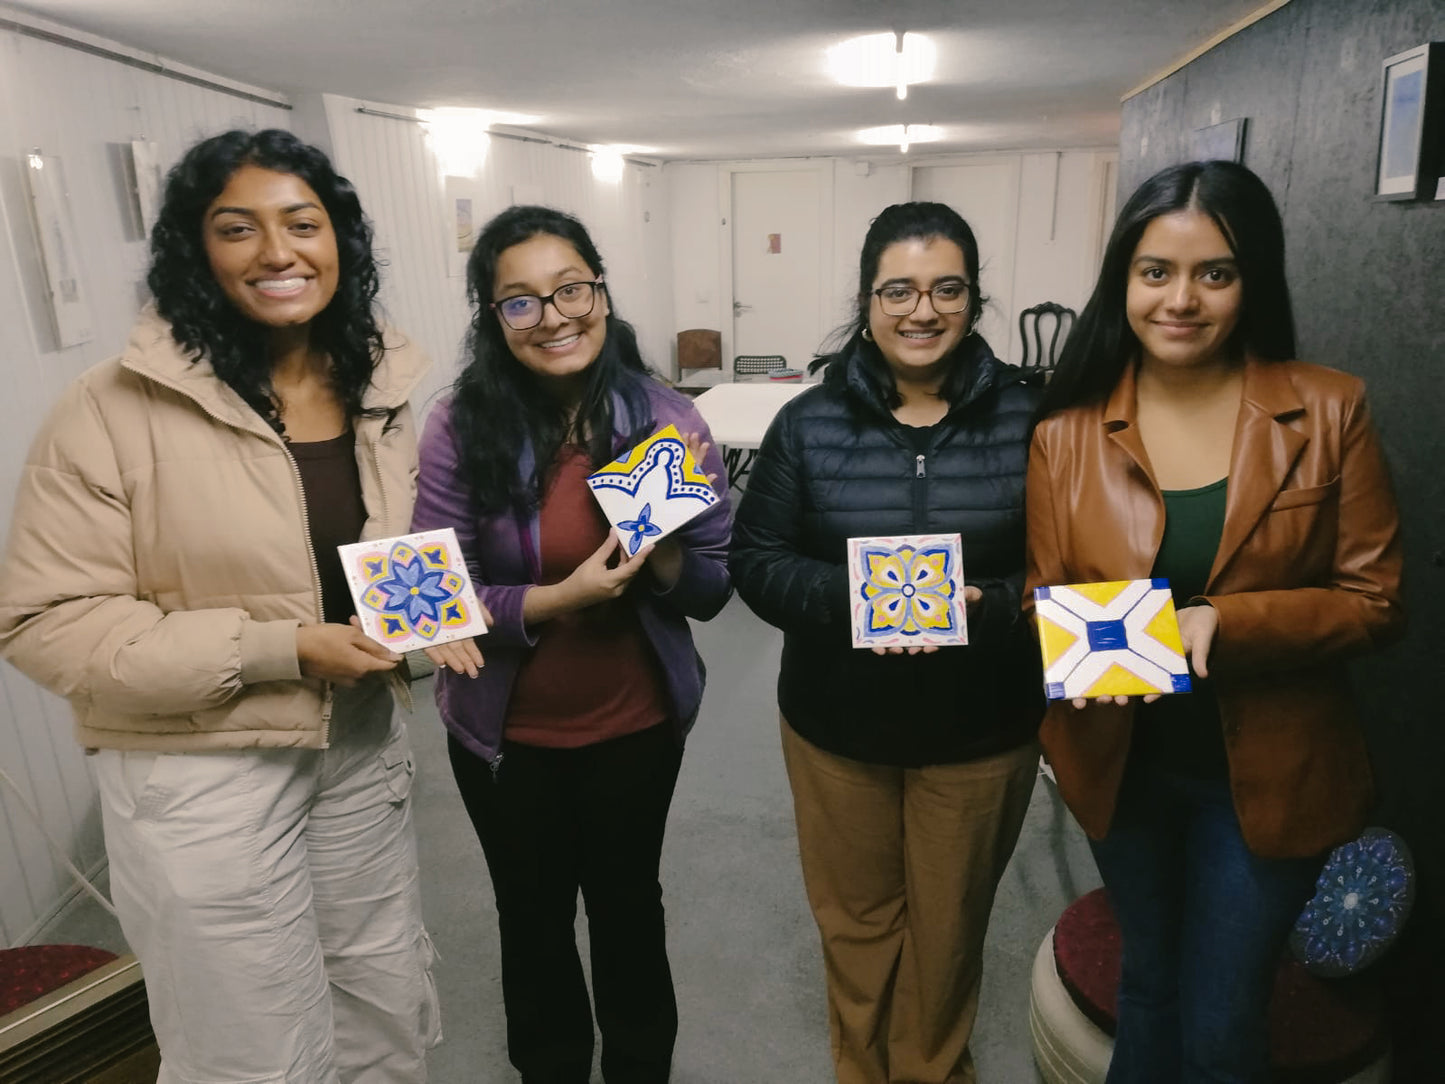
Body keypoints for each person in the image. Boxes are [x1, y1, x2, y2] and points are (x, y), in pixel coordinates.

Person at [0, 129, 439, 1081]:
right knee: (249, 1050)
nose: (278, 252)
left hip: (359, 742)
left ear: (341, 242)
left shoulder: (377, 386)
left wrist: (432, 620)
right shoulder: (108, 408)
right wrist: (283, 648)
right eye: (238, 228)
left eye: (303, 223)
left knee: (381, 1008)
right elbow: (47, 621)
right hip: (202, 770)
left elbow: (381, 555)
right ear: (195, 252)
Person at [1025, 160, 1404, 1082]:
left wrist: (1226, 625)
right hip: (1120, 770)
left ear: (1252, 281)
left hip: (1268, 778)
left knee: (1225, 1014)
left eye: (1214, 273)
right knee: (1149, 986)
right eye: (1156, 271)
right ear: (1123, 279)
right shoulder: (1065, 433)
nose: (1180, 299)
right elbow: (1050, 597)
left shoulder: (1325, 407)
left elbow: (1375, 600)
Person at [411, 204, 730, 1084]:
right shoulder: (458, 427)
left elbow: (711, 587)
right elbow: (439, 598)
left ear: (600, 288)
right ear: (491, 318)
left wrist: (663, 549)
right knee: (533, 917)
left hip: (635, 725)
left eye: (571, 290)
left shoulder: (666, 419)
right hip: (503, 739)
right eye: (520, 302)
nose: (553, 317)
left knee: (630, 910)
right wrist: (558, 598)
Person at [730, 201, 1043, 1084]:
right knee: (857, 926)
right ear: (866, 300)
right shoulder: (807, 422)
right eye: (897, 289)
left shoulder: (1035, 421)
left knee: (948, 936)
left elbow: (1077, 570)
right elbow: (756, 560)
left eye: (947, 288)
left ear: (974, 299)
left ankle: (934, 1072)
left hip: (981, 734)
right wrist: (852, 602)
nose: (922, 310)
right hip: (838, 730)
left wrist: (987, 605)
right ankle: (858, 1069)